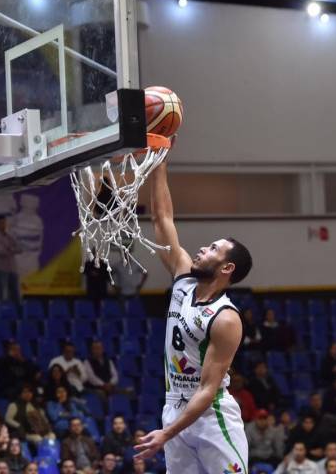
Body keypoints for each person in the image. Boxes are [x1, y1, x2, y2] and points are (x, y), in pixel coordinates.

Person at [130, 160, 253, 472]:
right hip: (174, 405)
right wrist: (158, 163)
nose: (202, 249)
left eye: (213, 249)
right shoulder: (183, 280)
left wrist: (167, 434)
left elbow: (208, 390)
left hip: (212, 416)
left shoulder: (226, 318)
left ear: (227, 268)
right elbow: (162, 220)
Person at [0, 215, 22, 302]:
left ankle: (17, 309)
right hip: (1, 269)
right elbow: (0, 252)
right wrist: (12, 249)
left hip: (12, 268)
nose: (3, 225)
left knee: (16, 292)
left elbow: (20, 248)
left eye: (4, 223)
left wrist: (9, 249)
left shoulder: (10, 236)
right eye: (1, 223)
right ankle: (2, 309)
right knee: (3, 293)